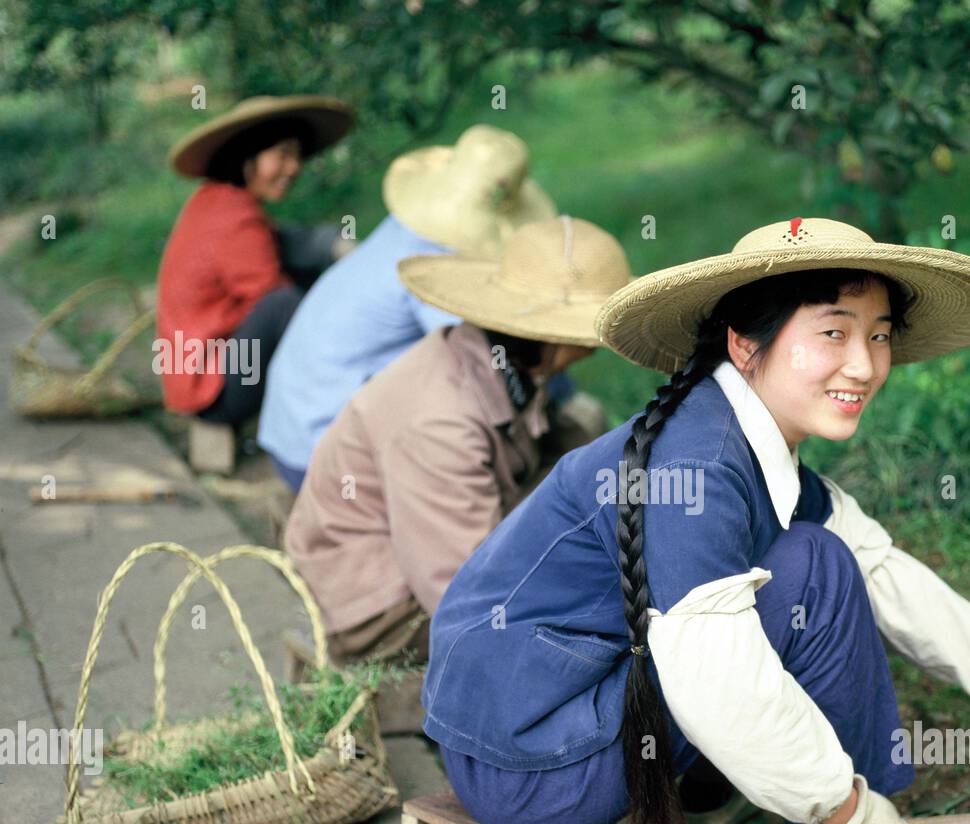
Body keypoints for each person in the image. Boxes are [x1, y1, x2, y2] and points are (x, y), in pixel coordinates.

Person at [418, 217, 970, 824]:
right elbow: (716, 674)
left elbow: (884, 569)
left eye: (879, 336)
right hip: (530, 767)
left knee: (813, 556)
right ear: (743, 344)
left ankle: (711, 789)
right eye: (833, 332)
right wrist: (847, 810)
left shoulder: (746, 438)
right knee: (811, 571)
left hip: (542, 730)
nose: (863, 365)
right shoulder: (699, 467)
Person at [282, 215, 631, 665]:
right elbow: (464, 593)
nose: (593, 348)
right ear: (551, 338)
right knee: (594, 635)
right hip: (377, 609)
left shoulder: (507, 364)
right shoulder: (440, 421)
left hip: (432, 550)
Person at [257, 125, 559, 491]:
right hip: (317, 455)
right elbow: (480, 373)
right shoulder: (434, 266)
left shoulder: (406, 227)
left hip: (288, 430)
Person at [156, 94, 353, 425]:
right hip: (214, 394)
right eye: (283, 155)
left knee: (297, 274)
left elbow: (279, 242)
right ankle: (342, 397)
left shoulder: (217, 201)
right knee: (283, 304)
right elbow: (276, 301)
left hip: (202, 378)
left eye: (297, 156)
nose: (294, 167)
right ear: (249, 157)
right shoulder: (234, 217)